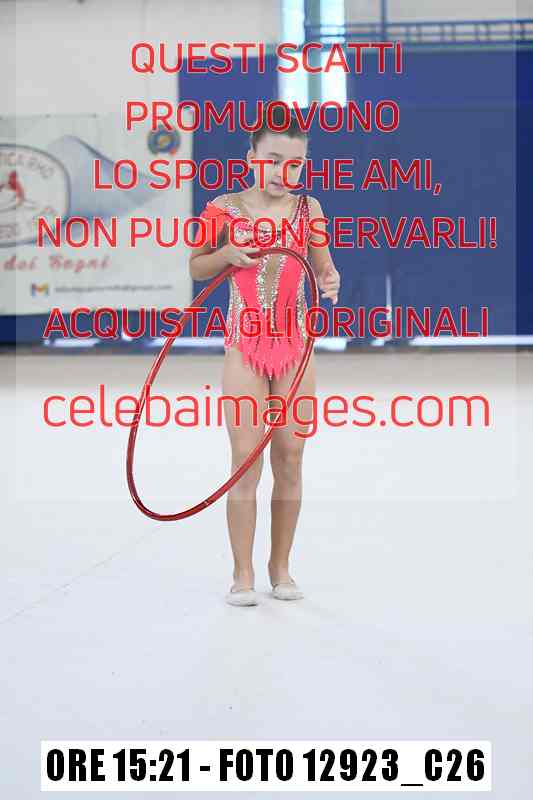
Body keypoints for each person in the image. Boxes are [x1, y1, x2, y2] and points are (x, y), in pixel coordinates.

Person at [188, 109, 340, 606]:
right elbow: (196, 267)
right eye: (273, 159)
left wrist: (330, 279)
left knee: (291, 456)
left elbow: (322, 266)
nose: (282, 171)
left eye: (295, 163)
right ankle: (242, 573)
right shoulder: (222, 208)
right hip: (245, 343)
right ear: (251, 157)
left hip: (295, 343)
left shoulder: (309, 209)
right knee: (245, 460)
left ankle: (281, 567)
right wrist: (225, 255)